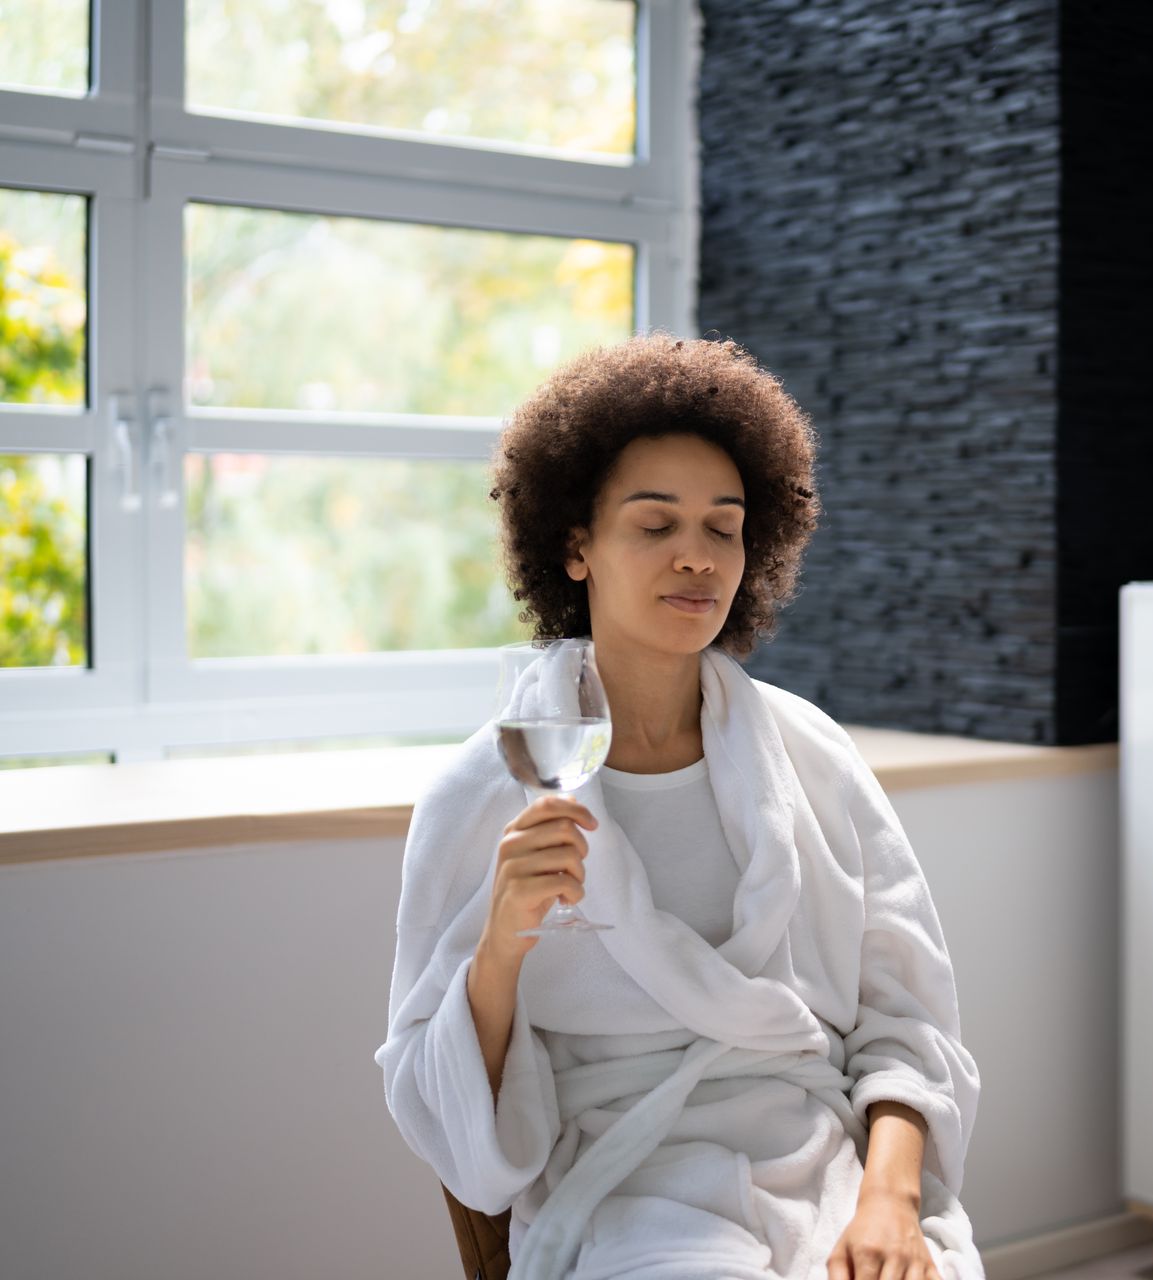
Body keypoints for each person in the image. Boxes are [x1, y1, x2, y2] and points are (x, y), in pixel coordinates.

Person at [375, 332, 983, 1280]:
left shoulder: (811, 756)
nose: (696, 557)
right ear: (575, 546)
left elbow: (908, 1024)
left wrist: (889, 1203)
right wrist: (500, 943)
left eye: (723, 527)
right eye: (655, 526)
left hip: (821, 1162)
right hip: (622, 1188)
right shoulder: (486, 790)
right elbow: (431, 1091)